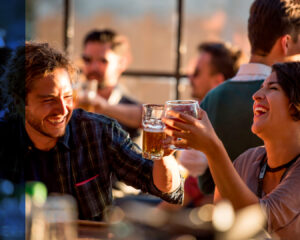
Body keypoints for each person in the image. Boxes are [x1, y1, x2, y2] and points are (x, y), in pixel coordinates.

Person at [0, 42, 183, 220]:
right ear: (20, 103)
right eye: (49, 100)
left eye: (67, 97)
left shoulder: (98, 131)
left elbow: (165, 189)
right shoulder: (6, 137)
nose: (63, 109)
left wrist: (164, 157)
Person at [163, 61, 300, 239]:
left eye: (272, 88)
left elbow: (262, 222)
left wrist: (213, 148)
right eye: (261, 87)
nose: (256, 95)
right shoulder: (247, 161)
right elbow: (221, 228)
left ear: (296, 104)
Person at [199, 0, 300, 194]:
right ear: (286, 43)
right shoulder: (289, 98)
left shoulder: (211, 99)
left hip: (216, 215)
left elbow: (192, 168)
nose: (257, 96)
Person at [78, 29, 142, 140]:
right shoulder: (71, 98)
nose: (93, 67)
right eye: (87, 59)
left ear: (121, 63)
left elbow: (150, 117)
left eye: (103, 61)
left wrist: (103, 107)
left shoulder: (131, 106)